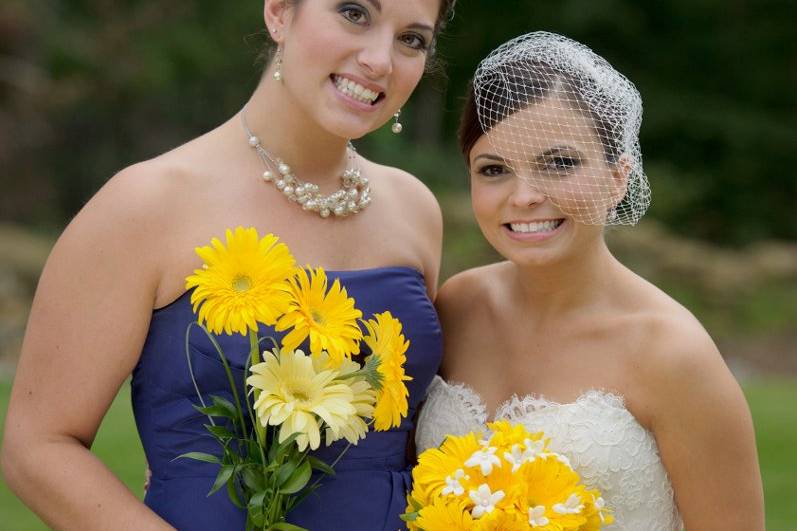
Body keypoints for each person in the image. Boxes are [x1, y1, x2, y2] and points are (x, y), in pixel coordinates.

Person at [1, 1, 456, 529]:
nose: (381, 59)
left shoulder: (415, 210)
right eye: (354, 13)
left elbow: (414, 437)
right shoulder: (146, 204)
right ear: (280, 12)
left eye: (412, 40)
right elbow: (37, 447)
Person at [415, 32, 764, 530]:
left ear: (619, 175)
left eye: (559, 163)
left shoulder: (673, 354)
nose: (524, 196)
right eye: (494, 169)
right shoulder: (457, 306)